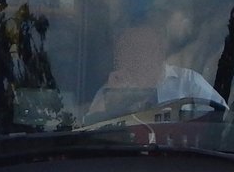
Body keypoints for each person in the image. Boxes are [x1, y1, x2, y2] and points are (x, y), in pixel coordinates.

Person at [88, 23, 226, 119]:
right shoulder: (113, 87)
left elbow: (224, 120)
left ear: (161, 51)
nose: (139, 56)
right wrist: (113, 96)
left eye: (146, 48)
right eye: (131, 49)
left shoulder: (189, 81)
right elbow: (89, 129)